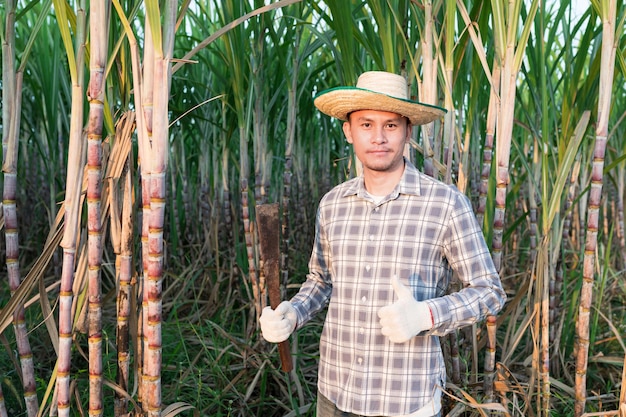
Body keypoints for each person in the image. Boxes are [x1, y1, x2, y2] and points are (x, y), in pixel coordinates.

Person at [259, 71, 506, 417]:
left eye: (390, 125)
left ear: (408, 130)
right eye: (366, 124)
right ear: (348, 131)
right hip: (335, 391)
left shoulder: (445, 204)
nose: (378, 137)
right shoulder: (333, 204)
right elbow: (321, 281)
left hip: (406, 398)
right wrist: (293, 313)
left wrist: (426, 314)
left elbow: (490, 291)